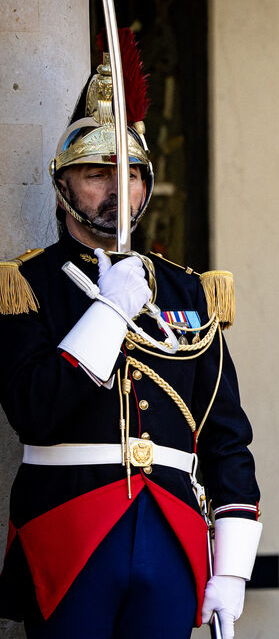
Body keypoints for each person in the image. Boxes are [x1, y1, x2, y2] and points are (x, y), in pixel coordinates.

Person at [0, 37, 261, 638]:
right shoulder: (27, 283)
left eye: (131, 175)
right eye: (97, 174)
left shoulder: (190, 292)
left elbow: (225, 436)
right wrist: (110, 310)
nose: (118, 190)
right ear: (63, 185)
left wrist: (234, 564)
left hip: (172, 531)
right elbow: (34, 410)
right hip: (70, 526)